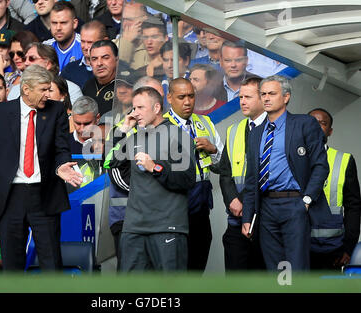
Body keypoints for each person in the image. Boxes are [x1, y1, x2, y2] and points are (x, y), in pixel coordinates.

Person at [0, 65, 83, 271]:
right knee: (12, 263)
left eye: (49, 89)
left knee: (51, 260)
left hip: (45, 194)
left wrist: (61, 166)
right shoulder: (0, 112)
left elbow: (62, 148)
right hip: (9, 197)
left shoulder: (56, 110)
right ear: (27, 89)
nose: (48, 94)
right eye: (44, 89)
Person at [242, 75, 331, 271]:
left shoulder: (304, 124)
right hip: (265, 206)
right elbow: (251, 179)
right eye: (263, 94)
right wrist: (248, 217)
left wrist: (306, 201)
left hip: (295, 203)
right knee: (276, 267)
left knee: (296, 266)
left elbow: (321, 165)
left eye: (272, 94)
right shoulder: (256, 132)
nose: (266, 98)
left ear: (286, 97)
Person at [107, 86, 196, 272]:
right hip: (133, 227)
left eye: (140, 108)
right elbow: (109, 161)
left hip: (167, 226)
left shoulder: (178, 135)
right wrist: (123, 129)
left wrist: (154, 167)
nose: (135, 113)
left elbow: (187, 180)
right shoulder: (133, 137)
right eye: (133, 108)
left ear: (156, 108)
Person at [164, 78, 223, 272]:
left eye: (191, 96)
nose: (188, 102)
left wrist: (213, 149)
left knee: (201, 249)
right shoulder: (161, 126)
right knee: (177, 259)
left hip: (202, 199)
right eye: (181, 97)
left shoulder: (205, 121)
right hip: (175, 202)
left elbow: (223, 164)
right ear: (170, 98)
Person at [218, 77, 266, 271]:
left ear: (263, 98)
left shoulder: (278, 129)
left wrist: (246, 203)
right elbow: (225, 172)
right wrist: (232, 200)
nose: (242, 101)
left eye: (248, 97)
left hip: (264, 221)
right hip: (236, 221)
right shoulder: (234, 130)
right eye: (240, 97)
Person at [308, 108, 361, 270]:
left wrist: (348, 247)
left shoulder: (344, 160)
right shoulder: (288, 158)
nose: (316, 127)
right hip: (296, 247)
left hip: (332, 250)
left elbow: (353, 207)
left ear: (330, 131)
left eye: (322, 123)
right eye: (311, 122)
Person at [8, 42, 83, 104]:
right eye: (25, 59)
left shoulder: (71, 89)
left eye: (32, 58)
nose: (26, 63)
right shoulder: (16, 90)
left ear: (48, 64)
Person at [61, 20, 109, 89]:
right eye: (83, 41)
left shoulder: (114, 70)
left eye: (90, 42)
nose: (85, 47)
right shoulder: (69, 70)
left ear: (105, 41)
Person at [43, 1, 83, 71]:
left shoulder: (85, 46)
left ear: (74, 23)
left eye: (63, 23)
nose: (58, 28)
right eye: (54, 23)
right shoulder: (44, 48)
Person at [82, 39, 118, 116]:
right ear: (90, 63)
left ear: (116, 60)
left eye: (105, 57)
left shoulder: (124, 86)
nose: (99, 63)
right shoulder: (88, 85)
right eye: (94, 59)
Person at [113, 1, 148, 70]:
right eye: (123, 19)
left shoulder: (153, 47)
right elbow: (115, 71)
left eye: (130, 20)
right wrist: (127, 41)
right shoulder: (113, 44)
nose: (125, 23)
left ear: (144, 20)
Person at [134, 15, 168, 82]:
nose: (149, 42)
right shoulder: (138, 73)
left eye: (154, 37)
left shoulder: (174, 67)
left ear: (166, 38)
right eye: (145, 37)